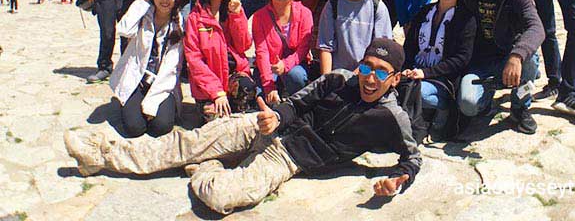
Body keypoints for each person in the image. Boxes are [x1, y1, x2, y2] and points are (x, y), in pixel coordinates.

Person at [64, 38, 421, 215]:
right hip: (264, 128)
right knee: (181, 144)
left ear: (393, 78)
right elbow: (297, 102)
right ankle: (103, 155)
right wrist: (277, 116)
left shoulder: (393, 118)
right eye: (366, 67)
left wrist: (398, 180)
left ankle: (209, 165)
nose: (369, 78)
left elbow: (413, 157)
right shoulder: (338, 79)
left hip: (287, 160)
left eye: (380, 72)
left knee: (219, 197)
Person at [457, 0, 545, 134]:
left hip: (510, 56)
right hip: (481, 62)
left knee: (530, 60)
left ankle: (520, 107)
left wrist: (516, 56)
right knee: (468, 105)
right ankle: (487, 99)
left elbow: (537, 28)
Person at [402, 0, 476, 140]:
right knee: (399, 87)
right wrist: (406, 68)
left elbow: (461, 59)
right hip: (416, 71)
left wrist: (426, 73)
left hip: (443, 78)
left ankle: (443, 109)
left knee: (415, 92)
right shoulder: (424, 12)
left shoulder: (466, 19)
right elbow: (410, 45)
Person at [110, 0, 184, 138]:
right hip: (138, 80)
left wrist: (151, 103)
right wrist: (141, 0)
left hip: (163, 83)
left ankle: (148, 104)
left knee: (161, 127)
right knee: (135, 128)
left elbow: (171, 69)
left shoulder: (179, 24)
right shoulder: (143, 14)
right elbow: (123, 29)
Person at [185, 0, 253, 123]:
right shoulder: (195, 18)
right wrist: (216, 92)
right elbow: (194, 60)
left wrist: (237, 15)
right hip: (207, 86)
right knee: (217, 122)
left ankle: (235, 107)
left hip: (232, 77)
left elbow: (244, 45)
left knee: (246, 90)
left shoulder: (233, 10)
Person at [316, 0, 392, 73]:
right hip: (337, 74)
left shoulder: (378, 8)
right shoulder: (332, 5)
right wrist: (326, 80)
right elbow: (325, 47)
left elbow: (380, 51)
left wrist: (356, 76)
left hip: (366, 74)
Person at [252, 0, 313, 104]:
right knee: (263, 99)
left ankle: (298, 105)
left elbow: (303, 48)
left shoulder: (305, 13)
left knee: (295, 75)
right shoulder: (259, 17)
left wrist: (285, 65)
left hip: (296, 64)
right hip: (269, 66)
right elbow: (262, 52)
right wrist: (269, 86)